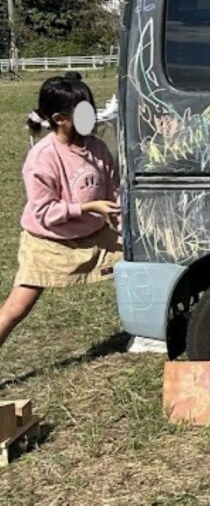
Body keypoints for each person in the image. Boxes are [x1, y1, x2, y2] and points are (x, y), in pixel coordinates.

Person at [0, 74, 121, 353]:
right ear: (59, 118)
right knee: (17, 307)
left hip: (96, 236)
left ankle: (149, 334)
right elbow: (44, 211)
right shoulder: (42, 158)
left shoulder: (98, 148)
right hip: (49, 243)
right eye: (82, 113)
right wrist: (89, 207)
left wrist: (123, 222)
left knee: (143, 263)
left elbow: (114, 192)